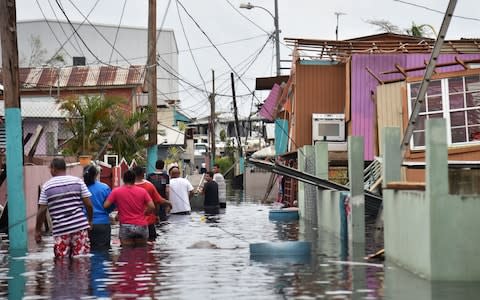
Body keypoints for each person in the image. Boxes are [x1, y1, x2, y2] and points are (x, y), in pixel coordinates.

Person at [35, 158, 93, 258]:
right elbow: (88, 205)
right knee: (81, 260)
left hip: (61, 230)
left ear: (53, 169)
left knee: (61, 263)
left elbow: (42, 211)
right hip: (79, 227)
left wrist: (37, 230)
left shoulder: (47, 186)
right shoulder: (78, 181)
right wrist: (90, 220)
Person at [104, 169, 155, 247]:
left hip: (125, 225)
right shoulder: (143, 191)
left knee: (126, 253)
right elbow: (152, 206)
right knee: (141, 253)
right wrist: (145, 213)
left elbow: (106, 205)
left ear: (123, 179)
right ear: (134, 179)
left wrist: (118, 205)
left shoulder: (116, 191)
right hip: (141, 225)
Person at [133, 166, 171, 241]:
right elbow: (158, 200)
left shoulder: (125, 187)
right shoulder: (149, 186)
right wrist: (169, 203)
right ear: (143, 174)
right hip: (147, 222)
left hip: (128, 224)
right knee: (150, 245)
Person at [83, 164, 113, 250]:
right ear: (96, 174)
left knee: (85, 251)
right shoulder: (104, 188)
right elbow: (111, 205)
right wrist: (106, 212)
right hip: (102, 224)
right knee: (103, 252)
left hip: (84, 224)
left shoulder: (80, 188)